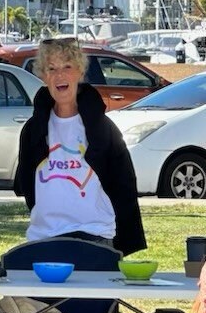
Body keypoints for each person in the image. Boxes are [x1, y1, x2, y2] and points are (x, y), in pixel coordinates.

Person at [14, 37, 146, 257]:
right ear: (44, 76)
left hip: (95, 234)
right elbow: (27, 184)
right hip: (43, 236)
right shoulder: (33, 129)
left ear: (79, 73)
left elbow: (123, 183)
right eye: (51, 68)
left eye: (67, 67)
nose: (59, 75)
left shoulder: (102, 127)